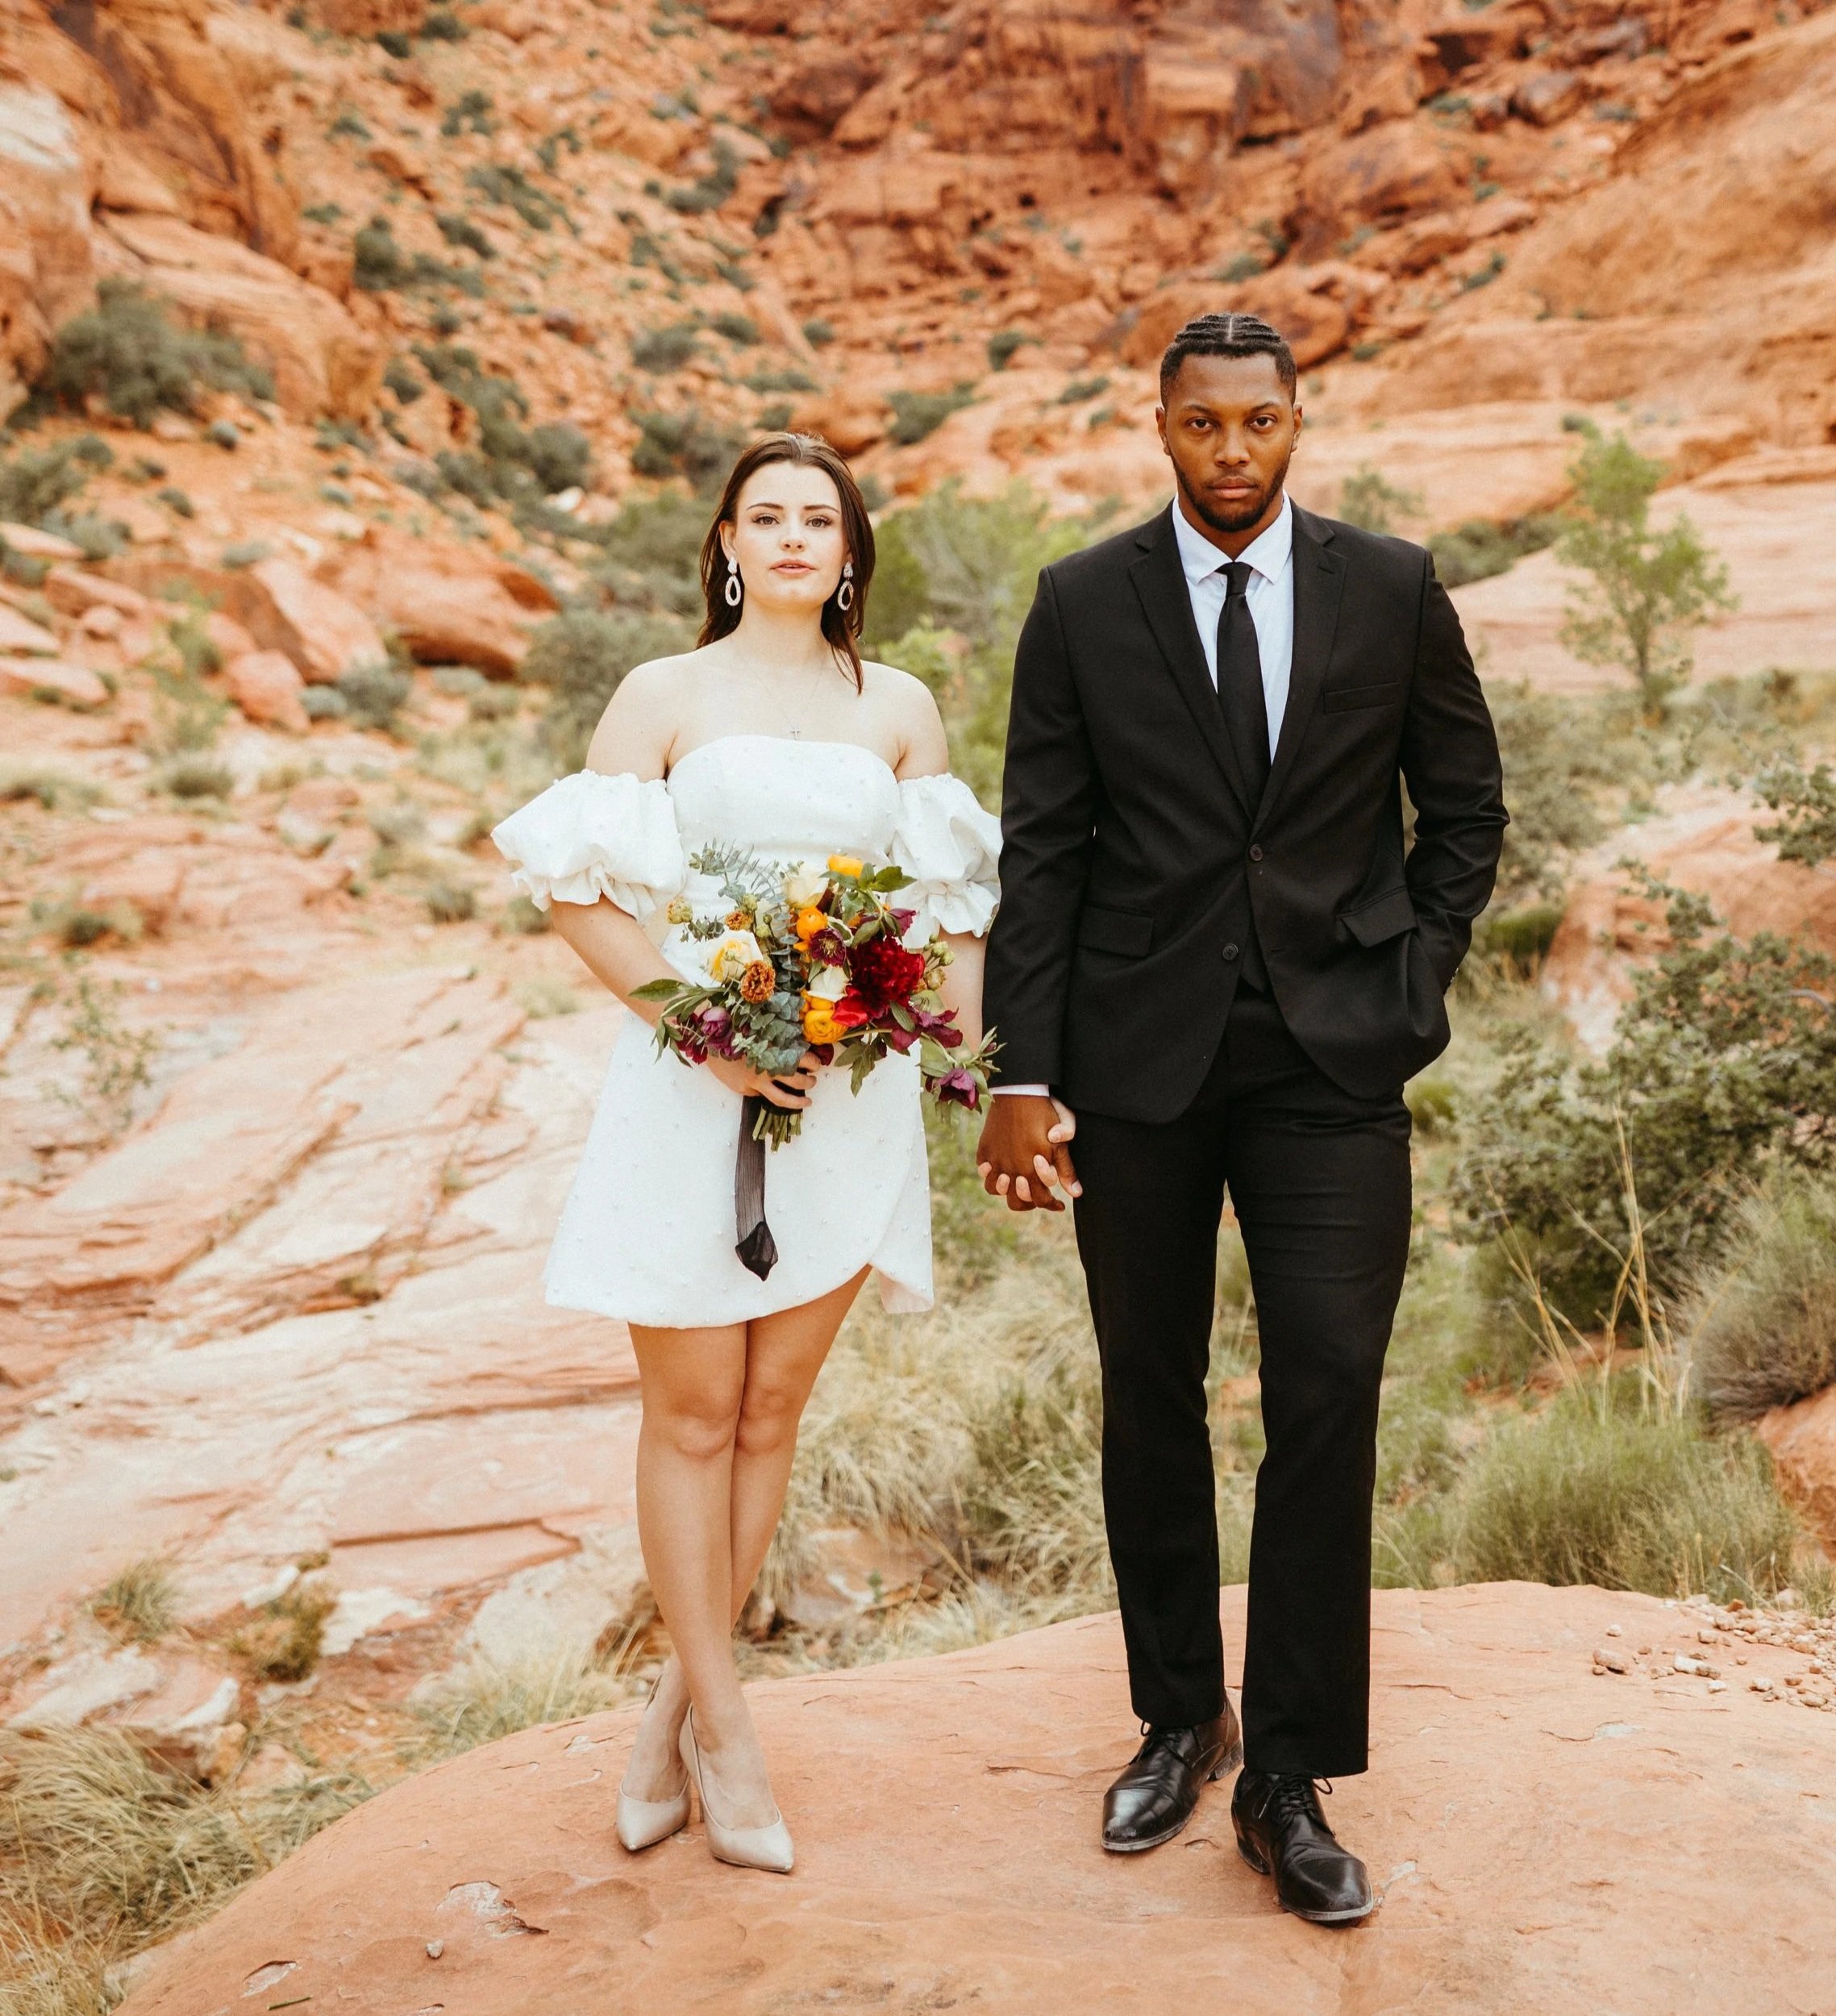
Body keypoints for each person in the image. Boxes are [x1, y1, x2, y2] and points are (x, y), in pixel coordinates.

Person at [976, 312, 1505, 1924]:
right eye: (1199, 422)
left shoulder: (1393, 586)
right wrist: (1016, 1070)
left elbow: (1465, 805)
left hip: (1329, 1060)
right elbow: (1044, 847)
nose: (1227, 450)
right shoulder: (1079, 602)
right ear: (1157, 423)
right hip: (1134, 1062)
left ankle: (1286, 1770)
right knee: (1147, 1387)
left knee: (1327, 1389)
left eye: (1254, 422)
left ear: (1296, 421)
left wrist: (1405, 978)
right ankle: (1171, 1716)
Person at [491, 434, 999, 1876]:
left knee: (774, 1413)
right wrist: (702, 1027)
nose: (790, 538)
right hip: (687, 1085)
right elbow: (581, 894)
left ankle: (671, 1721)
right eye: (764, 516)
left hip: (845, 1095)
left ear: (852, 553)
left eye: (817, 520)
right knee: (692, 1418)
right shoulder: (662, 694)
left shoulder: (897, 706)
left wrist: (946, 1050)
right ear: (725, 540)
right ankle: (734, 1738)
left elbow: (948, 907)